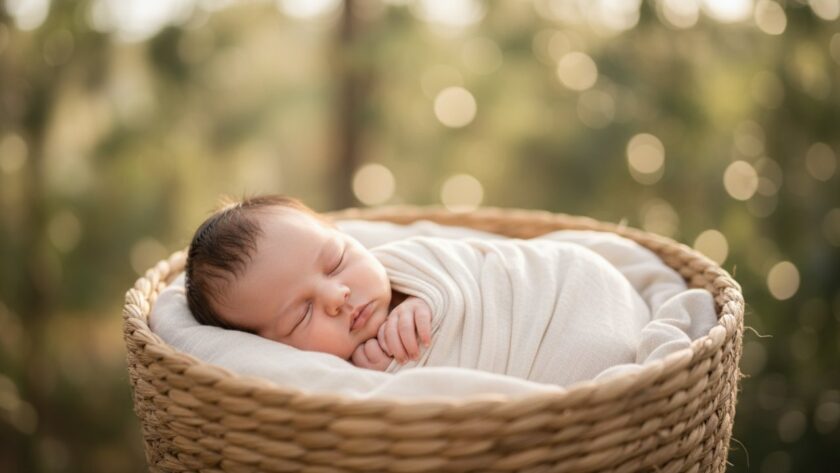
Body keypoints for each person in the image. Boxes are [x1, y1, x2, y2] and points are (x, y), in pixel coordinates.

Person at [185, 195, 429, 372]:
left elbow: (463, 264)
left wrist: (428, 297)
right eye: (302, 314)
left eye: (336, 262)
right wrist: (394, 371)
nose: (337, 296)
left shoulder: (412, 263)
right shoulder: (327, 377)